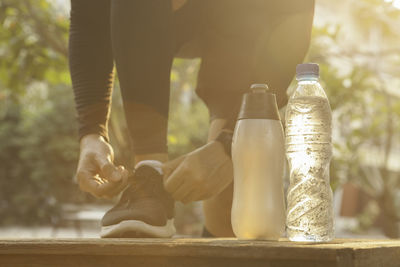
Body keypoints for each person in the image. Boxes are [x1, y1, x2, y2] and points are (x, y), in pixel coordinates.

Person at [69, 0, 315, 238]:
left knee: (232, 202)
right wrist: (92, 132)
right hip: (144, 16)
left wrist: (229, 144)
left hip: (247, 20)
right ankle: (149, 178)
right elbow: (88, 18)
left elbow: (295, 19)